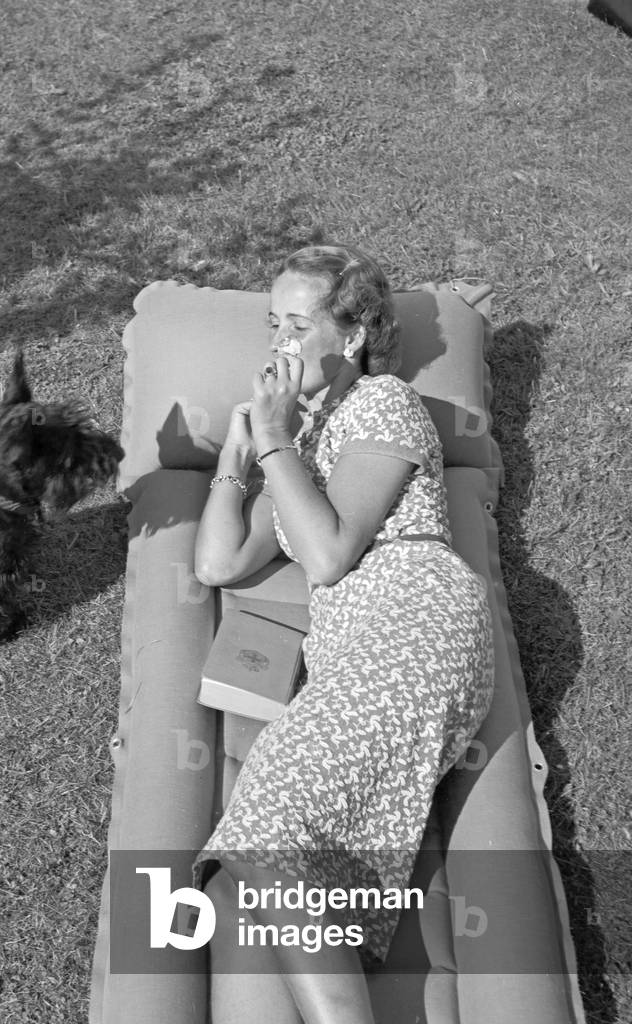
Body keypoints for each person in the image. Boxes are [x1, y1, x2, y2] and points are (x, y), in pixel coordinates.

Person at [192, 244, 495, 1024]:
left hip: (416, 623)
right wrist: (239, 451)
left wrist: (272, 443)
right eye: (273, 324)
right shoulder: (305, 435)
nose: (277, 344)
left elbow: (327, 555)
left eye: (297, 324)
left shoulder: (383, 406)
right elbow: (221, 560)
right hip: (360, 657)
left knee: (266, 833)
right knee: (245, 869)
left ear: (352, 335)